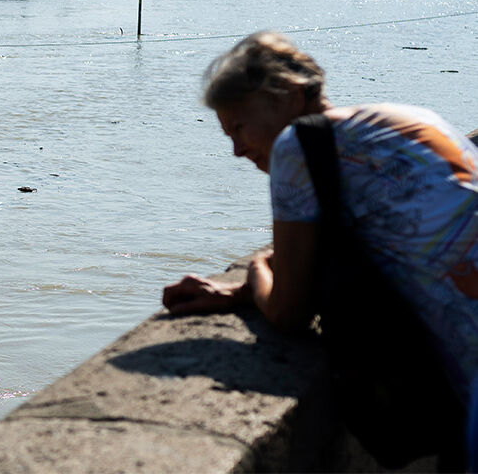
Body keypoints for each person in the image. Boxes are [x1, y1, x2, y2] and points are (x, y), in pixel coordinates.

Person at [162, 31, 478, 465]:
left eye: (238, 126)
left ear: (289, 97)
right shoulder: (409, 118)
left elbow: (289, 313)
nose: (236, 150)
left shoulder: (297, 147)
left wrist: (255, 274)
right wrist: (236, 294)